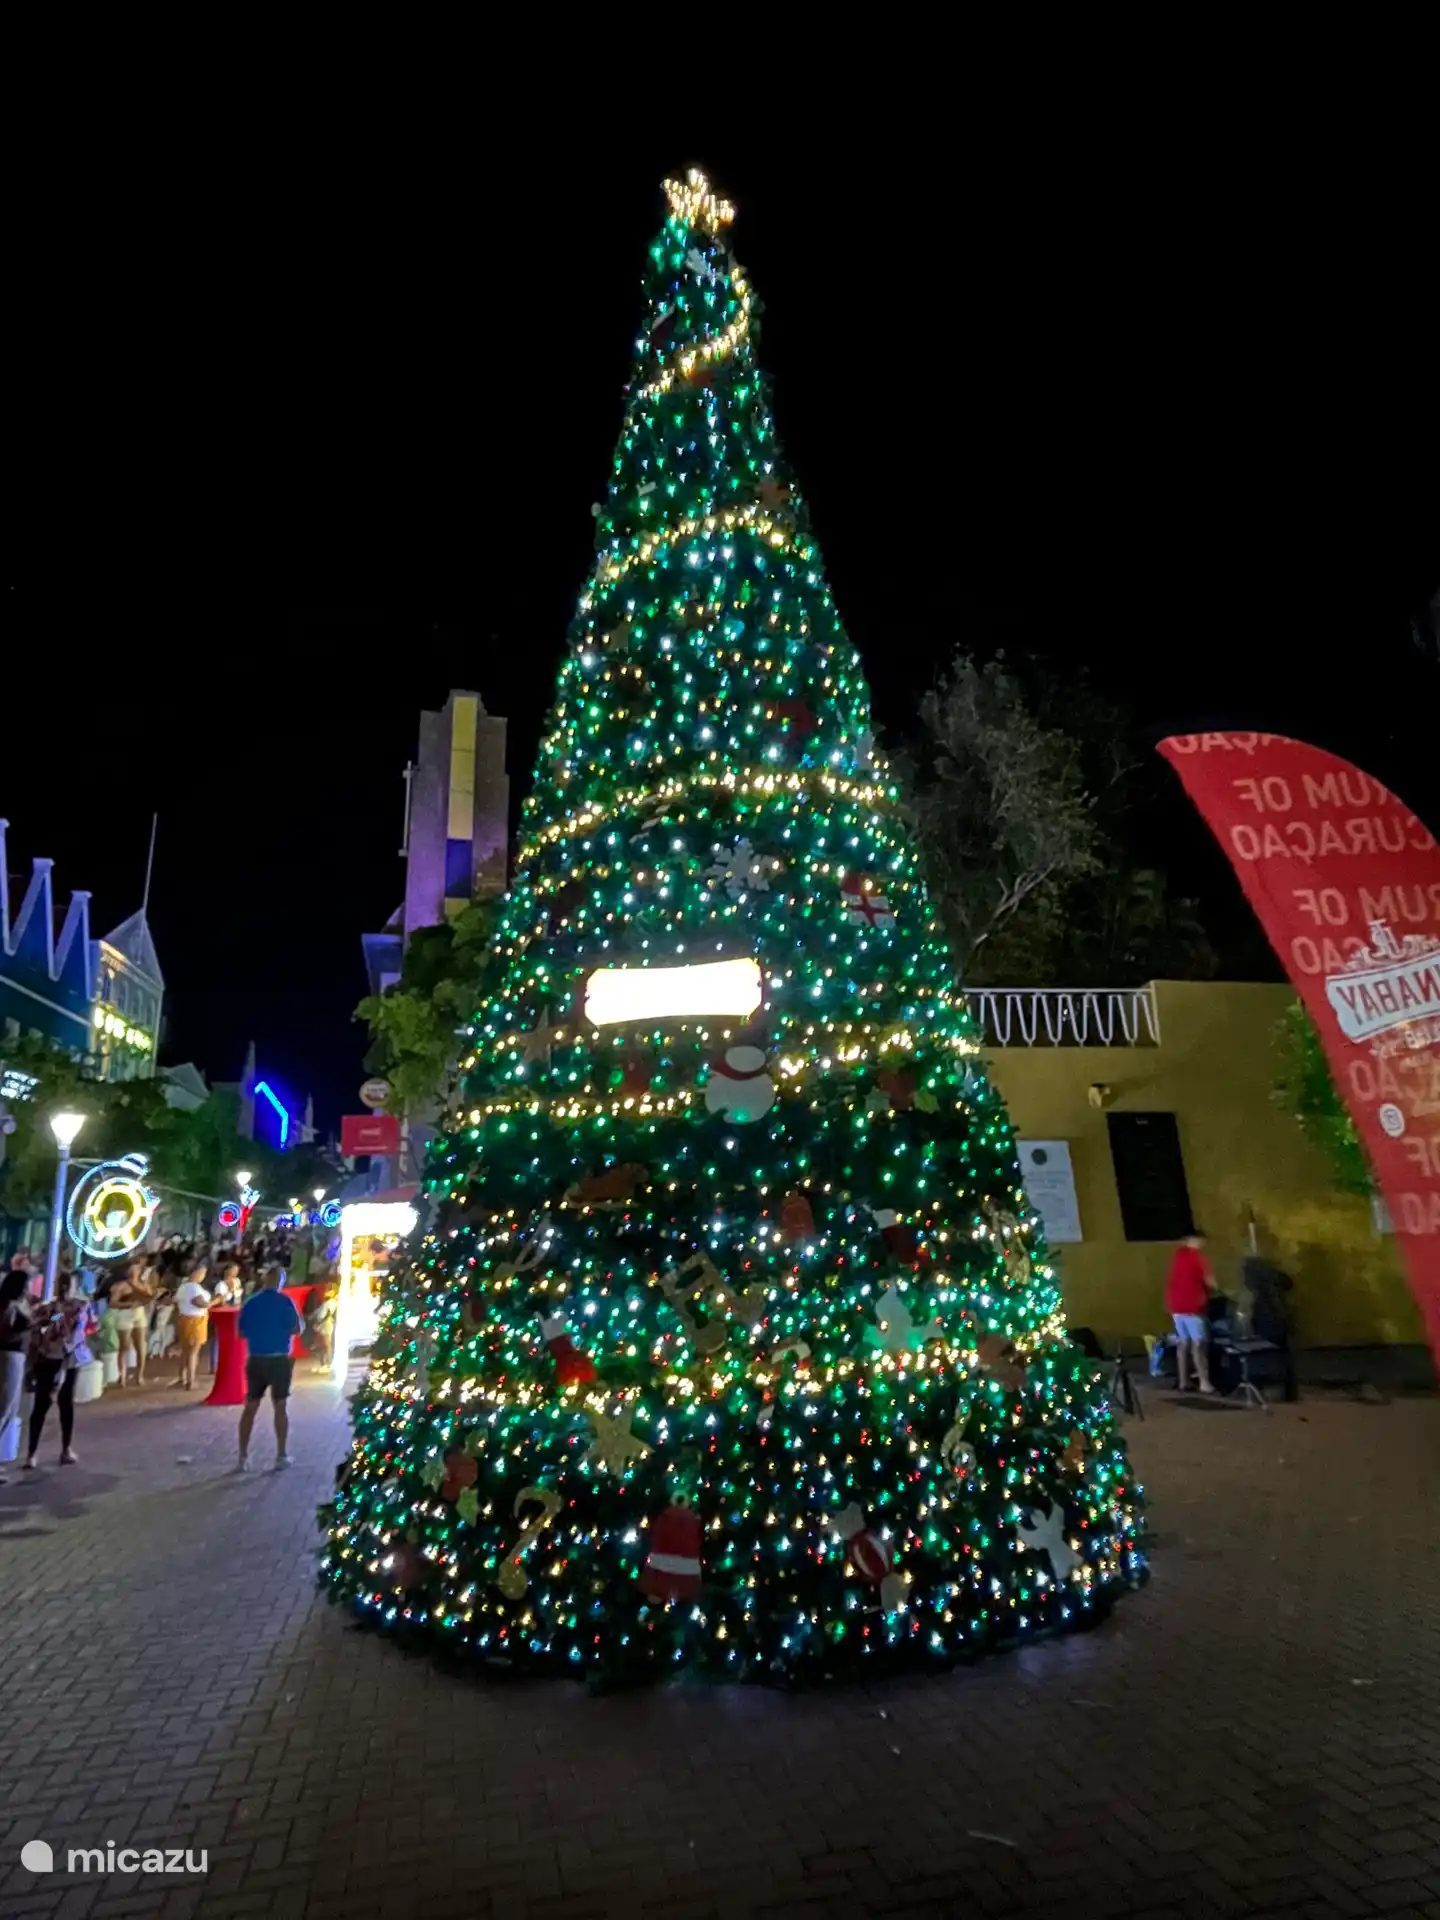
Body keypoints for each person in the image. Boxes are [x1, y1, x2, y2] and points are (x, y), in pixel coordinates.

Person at [25, 1273, 96, 1467]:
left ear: (75, 1287)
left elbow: (86, 1328)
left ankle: (65, 1449)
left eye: (68, 1284)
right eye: (62, 1284)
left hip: (69, 1358)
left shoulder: (82, 1306)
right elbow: (41, 1326)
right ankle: (32, 1453)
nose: (64, 1288)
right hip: (49, 1358)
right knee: (42, 1404)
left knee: (66, 1404)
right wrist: (53, 1318)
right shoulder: (50, 1309)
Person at [236, 1267, 303, 1471]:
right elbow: (296, 1329)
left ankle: (242, 1457)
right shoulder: (285, 1302)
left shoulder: (251, 1302)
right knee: (280, 1407)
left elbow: (241, 1332)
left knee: (250, 1407)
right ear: (280, 1282)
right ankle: (281, 1455)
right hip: (278, 1360)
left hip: (256, 1359)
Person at [1166, 1230, 1216, 1394]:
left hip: (1176, 1307)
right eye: (1201, 1241)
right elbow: (1210, 1281)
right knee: (1198, 1345)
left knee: (1183, 1344)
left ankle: (1183, 1381)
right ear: (1194, 1240)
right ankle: (1204, 1383)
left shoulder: (1178, 1256)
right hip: (1193, 1307)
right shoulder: (1198, 1257)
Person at [0, 1270, 33, 1482]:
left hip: (17, 1358)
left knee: (10, 1409)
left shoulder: (19, 1305)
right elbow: (6, 1334)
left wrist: (55, 1315)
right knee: (4, 1408)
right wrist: (31, 1328)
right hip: (9, 1357)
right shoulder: (8, 1307)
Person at [172, 1262, 212, 1390]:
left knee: (185, 1351)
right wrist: (209, 1304)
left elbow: (175, 1301)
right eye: (202, 1273)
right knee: (193, 1352)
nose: (203, 1276)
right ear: (196, 1272)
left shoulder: (183, 1287)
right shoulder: (194, 1287)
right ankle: (191, 1380)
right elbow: (199, 1302)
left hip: (184, 1318)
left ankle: (182, 1377)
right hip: (195, 1321)